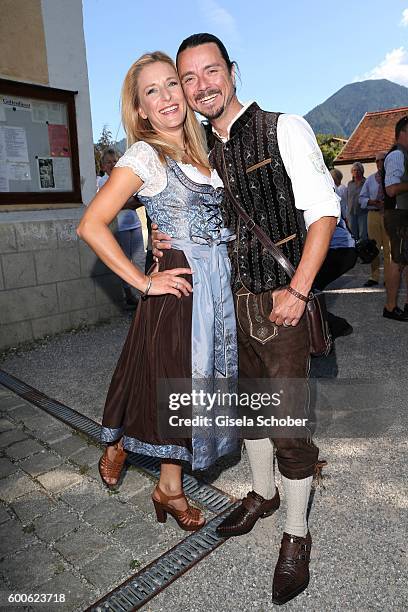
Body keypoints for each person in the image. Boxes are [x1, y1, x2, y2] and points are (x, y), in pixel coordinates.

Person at [153, 33, 339, 604]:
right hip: (222, 304)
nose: (201, 85)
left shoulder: (284, 128)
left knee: (287, 425)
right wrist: (164, 238)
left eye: (211, 72)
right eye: (190, 78)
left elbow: (324, 211)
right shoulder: (196, 149)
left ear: (232, 72)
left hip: (280, 302)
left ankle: (297, 534)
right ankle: (262, 494)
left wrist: (299, 292)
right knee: (248, 412)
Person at [77, 51, 238, 531]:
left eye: (172, 84)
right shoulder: (145, 154)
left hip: (219, 282)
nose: (168, 97)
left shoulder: (206, 146)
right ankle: (158, 477)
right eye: (153, 91)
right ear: (141, 109)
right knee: (172, 380)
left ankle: (153, 470)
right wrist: (145, 280)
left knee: (185, 381)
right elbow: (92, 224)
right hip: (182, 285)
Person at [97, 148, 145, 307]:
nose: (112, 164)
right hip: (119, 227)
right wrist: (125, 203)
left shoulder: (123, 179)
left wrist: (123, 203)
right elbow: (111, 206)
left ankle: (142, 293)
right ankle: (128, 293)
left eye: (114, 161)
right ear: (103, 166)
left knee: (139, 259)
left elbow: (139, 200)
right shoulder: (102, 182)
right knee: (124, 261)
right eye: (108, 162)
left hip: (135, 223)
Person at [313, 169, 357, 337]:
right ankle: (329, 328)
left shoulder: (320, 193)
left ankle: (332, 328)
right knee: (309, 289)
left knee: (306, 289)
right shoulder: (326, 190)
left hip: (339, 250)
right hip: (342, 249)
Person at [383, 116, 408, 321]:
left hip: (403, 214)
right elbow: (391, 190)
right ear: (404, 132)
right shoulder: (397, 155)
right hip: (398, 214)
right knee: (397, 260)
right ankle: (390, 307)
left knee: (405, 261)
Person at [359, 151, 390, 287]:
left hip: (389, 215)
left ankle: (389, 278)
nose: (379, 163)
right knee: (373, 247)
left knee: (389, 248)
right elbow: (361, 198)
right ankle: (374, 276)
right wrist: (371, 202)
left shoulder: (393, 178)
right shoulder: (370, 179)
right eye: (377, 161)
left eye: (382, 160)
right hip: (373, 215)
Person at [346, 161, 367, 241]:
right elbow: (348, 199)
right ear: (352, 172)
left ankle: (364, 252)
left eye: (358, 170)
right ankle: (354, 252)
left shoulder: (366, 182)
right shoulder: (349, 184)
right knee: (353, 235)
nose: (356, 172)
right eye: (354, 170)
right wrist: (347, 214)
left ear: (362, 171)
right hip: (351, 213)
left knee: (363, 234)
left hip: (363, 212)